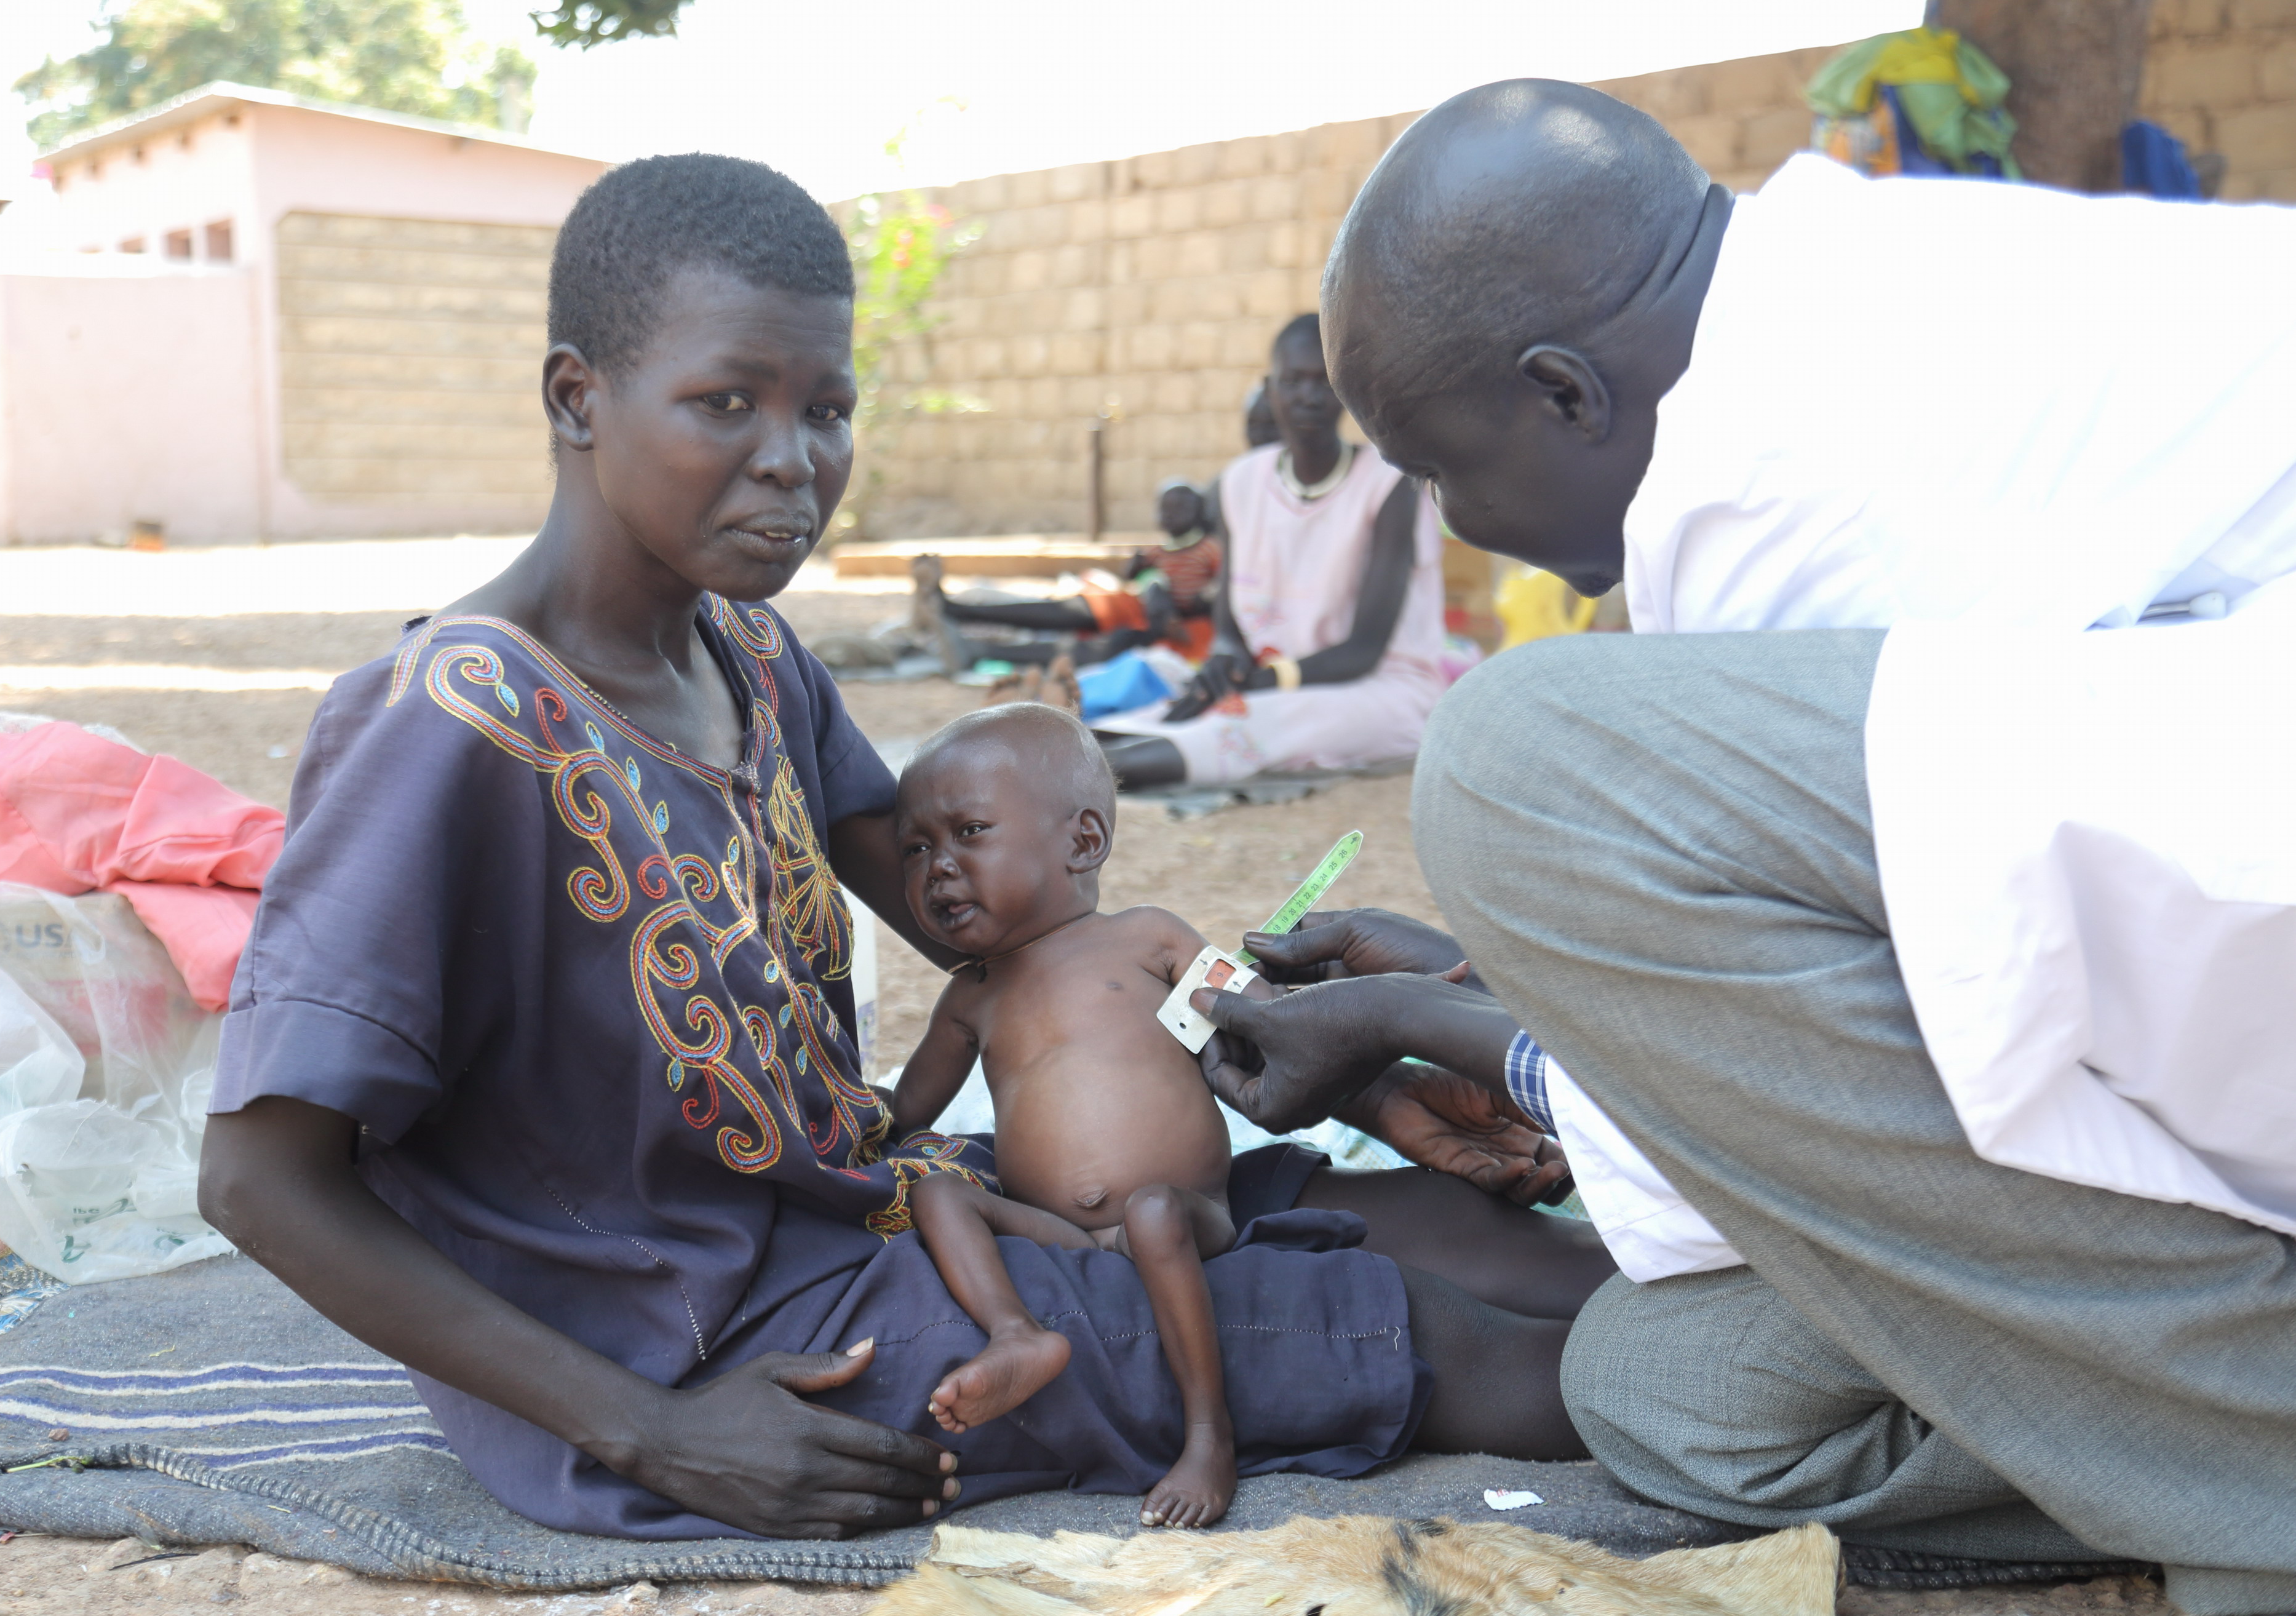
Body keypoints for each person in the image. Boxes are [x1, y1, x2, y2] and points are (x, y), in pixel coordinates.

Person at [194, 152, 1583, 1545]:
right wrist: (653, 1430)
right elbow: (261, 1178)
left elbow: (1015, 929)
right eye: (725, 401)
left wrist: (1356, 1070)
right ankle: (1767, 1399)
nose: (793, 458)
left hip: (883, 1204)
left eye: (828, 407)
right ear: (577, 397)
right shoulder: (444, 729)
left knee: (1437, 1226)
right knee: (1397, 1335)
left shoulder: (744, 655)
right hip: (724, 1352)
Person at [1189, 79, 2296, 1614]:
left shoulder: (1764, 489)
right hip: (2208, 1005)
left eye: (1446, 473)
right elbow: (1867, 1030)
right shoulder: (1842, 287)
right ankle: (2192, 1426)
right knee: (1674, 1389)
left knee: (1517, 769)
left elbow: (1800, 1141)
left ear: (1564, 392)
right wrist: (1489, 993)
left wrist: (1439, 1024)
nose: (1453, 523)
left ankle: (2251, 1470)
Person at [891, 704, 1261, 1529]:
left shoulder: (1147, 937)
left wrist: (1281, 985)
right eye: (915, 849)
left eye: (969, 831)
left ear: (1083, 840)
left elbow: (1262, 1021)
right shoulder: (971, 995)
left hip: (1180, 1217)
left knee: (1155, 1208)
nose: (938, 867)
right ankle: (1015, 1332)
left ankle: (1209, 1436)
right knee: (941, 1192)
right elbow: (902, 1110)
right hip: (1064, 1233)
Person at [1094, 314, 1451, 790]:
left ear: (1347, 389)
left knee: (1249, 723)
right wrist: (1224, 662)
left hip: (1381, 690)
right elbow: (1228, 626)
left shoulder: (1389, 485)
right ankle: (1054, 763)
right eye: (1293, 380)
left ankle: (1065, 784)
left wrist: (1260, 682)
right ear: (1270, 385)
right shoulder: (1242, 483)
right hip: (1274, 684)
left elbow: (1363, 652)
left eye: (1323, 382)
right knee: (1177, 705)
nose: (1308, 396)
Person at [924, 481, 1222, 667]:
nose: (1172, 516)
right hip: (1144, 608)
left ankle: (980, 650)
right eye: (1166, 510)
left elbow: (1221, 589)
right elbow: (1134, 575)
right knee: (1074, 608)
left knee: (1105, 648)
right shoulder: (1158, 550)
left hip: (1184, 630)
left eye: (1182, 508)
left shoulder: (1211, 549)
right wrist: (1145, 575)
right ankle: (956, 610)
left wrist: (1199, 600)